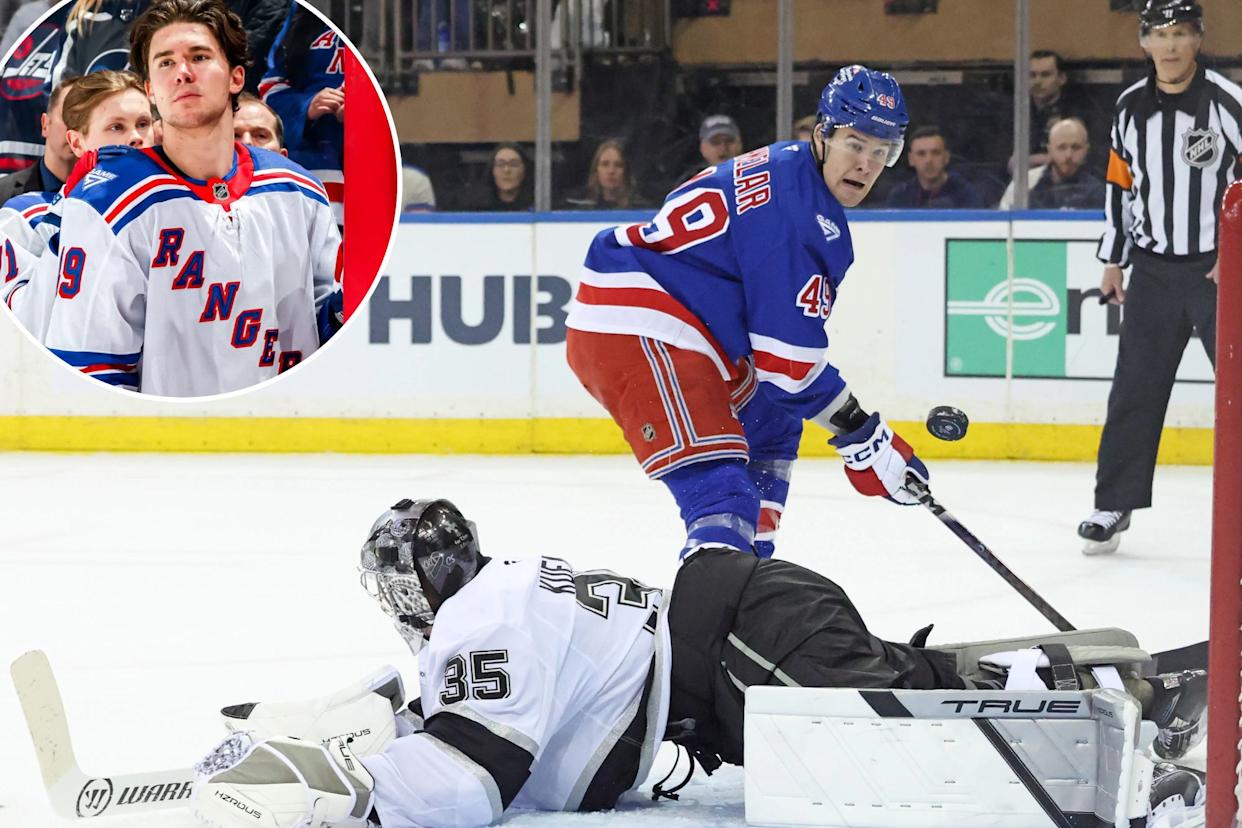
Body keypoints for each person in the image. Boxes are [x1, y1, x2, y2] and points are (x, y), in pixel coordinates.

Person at [191, 498, 1210, 828]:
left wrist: (355, 790)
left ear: (416, 586)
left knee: (902, 764)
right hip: (745, 634)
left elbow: (472, 779)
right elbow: (462, 727)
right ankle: (1093, 687)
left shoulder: (481, 621)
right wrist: (340, 727)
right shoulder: (500, 598)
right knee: (904, 702)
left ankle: (1129, 775)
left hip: (739, 645)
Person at [565, 66, 929, 561]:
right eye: (856, 143)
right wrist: (865, 437)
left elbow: (781, 381)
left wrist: (862, 436)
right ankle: (712, 618)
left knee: (773, 417)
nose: (866, 163)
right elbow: (789, 368)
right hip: (643, 324)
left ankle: (748, 574)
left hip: (684, 325)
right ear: (823, 133)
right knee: (723, 497)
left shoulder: (793, 168)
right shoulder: (800, 216)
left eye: (881, 151)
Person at [39, 0, 341, 396]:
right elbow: (92, 366)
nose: (182, 73)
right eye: (165, 62)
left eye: (199, 57)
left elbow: (326, 327)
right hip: (166, 446)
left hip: (285, 434)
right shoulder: (107, 202)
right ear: (149, 88)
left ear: (236, 77)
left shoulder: (298, 190)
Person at [1079, 0, 1241, 554]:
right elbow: (1119, 187)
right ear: (1143, 42)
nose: (1170, 46)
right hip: (1151, 268)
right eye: (1159, 34)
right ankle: (1113, 504)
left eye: (1180, 34)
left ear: (1198, 39)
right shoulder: (1129, 108)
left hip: (1218, 273)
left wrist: (1235, 254)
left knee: (1240, 391)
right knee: (1135, 390)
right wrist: (1113, 258)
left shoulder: (1228, 104)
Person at [3, 70, 153, 332]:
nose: (136, 137)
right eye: (116, 127)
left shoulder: (179, 211)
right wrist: (74, 216)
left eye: (143, 124)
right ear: (77, 142)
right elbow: (20, 332)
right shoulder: (23, 216)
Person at [259, 0, 344, 223]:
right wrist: (307, 105)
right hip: (317, 158)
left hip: (373, 159)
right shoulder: (301, 14)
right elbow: (271, 89)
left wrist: (366, 110)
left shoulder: (386, 17)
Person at [997, 116, 1105, 210]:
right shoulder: (1026, 183)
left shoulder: (1099, 191)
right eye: (1061, 147)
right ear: (1049, 149)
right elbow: (1003, 223)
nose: (1068, 155)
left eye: (1076, 147)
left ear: (1086, 150)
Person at [0, 74, 76, 205]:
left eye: (86, 119)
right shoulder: (2, 195)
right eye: (70, 116)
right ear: (45, 124)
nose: (77, 128)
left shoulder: (113, 198)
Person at [885, 125, 983, 208]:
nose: (929, 160)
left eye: (936, 153)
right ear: (911, 159)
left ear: (946, 157)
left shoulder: (966, 195)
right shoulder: (900, 197)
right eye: (921, 153)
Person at [560, 138, 646, 210]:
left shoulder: (641, 207)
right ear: (596, 170)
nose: (611, 171)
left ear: (626, 171)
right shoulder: (582, 207)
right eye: (605, 164)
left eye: (618, 165)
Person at [675, 113, 741, 186]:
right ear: (703, 148)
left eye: (729, 141)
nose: (723, 148)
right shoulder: (689, 184)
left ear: (739, 144)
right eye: (715, 142)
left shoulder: (753, 174)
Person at [466, 143, 532, 211]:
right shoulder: (478, 208)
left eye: (513, 164)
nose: (506, 170)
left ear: (524, 170)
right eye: (500, 164)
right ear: (492, 171)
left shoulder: (538, 205)